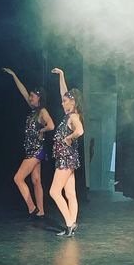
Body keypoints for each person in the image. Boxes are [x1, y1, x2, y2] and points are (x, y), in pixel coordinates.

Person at [2, 67, 55, 217]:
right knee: (36, 180)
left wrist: (41, 131)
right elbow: (23, 91)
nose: (30, 98)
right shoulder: (33, 109)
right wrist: (14, 76)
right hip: (32, 149)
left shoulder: (42, 111)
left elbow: (51, 125)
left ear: (39, 97)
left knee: (18, 178)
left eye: (32, 96)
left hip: (35, 151)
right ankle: (41, 211)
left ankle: (32, 208)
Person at [48, 67, 84, 237]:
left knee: (54, 192)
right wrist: (62, 75)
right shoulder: (70, 114)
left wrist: (69, 138)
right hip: (68, 158)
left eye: (64, 101)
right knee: (70, 193)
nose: (62, 103)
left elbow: (80, 131)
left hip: (65, 159)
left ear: (72, 102)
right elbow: (64, 92)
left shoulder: (73, 117)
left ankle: (70, 223)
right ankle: (72, 224)